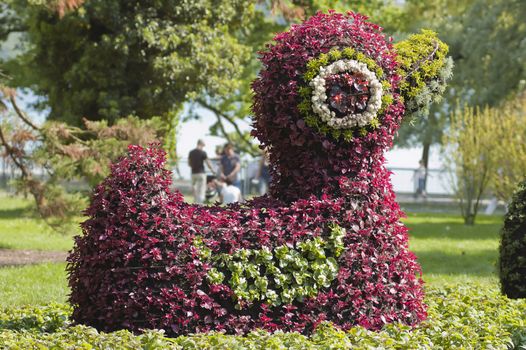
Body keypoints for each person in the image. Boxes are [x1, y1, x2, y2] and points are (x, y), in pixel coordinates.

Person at [188, 139, 215, 204]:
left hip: (193, 173)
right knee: (201, 190)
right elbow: (208, 163)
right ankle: (200, 205)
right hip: (201, 173)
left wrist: (194, 167)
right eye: (203, 146)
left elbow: (189, 163)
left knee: (194, 188)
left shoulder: (191, 152)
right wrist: (213, 170)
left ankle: (196, 201)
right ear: (201, 144)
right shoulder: (203, 153)